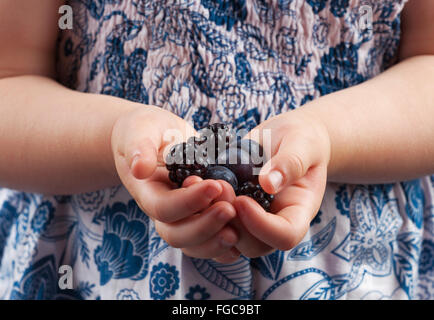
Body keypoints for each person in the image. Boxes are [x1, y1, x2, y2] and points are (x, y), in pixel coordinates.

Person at [0, 0, 433, 300]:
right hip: (92, 265)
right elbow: (10, 83)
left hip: (361, 267)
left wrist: (327, 134)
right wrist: (115, 135)